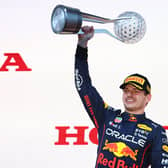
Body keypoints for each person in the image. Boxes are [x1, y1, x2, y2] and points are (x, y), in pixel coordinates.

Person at [74, 26, 168, 168]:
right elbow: (84, 87)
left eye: (136, 91)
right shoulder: (107, 116)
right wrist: (82, 46)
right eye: (126, 90)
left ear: (147, 98)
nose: (129, 94)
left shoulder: (156, 131)